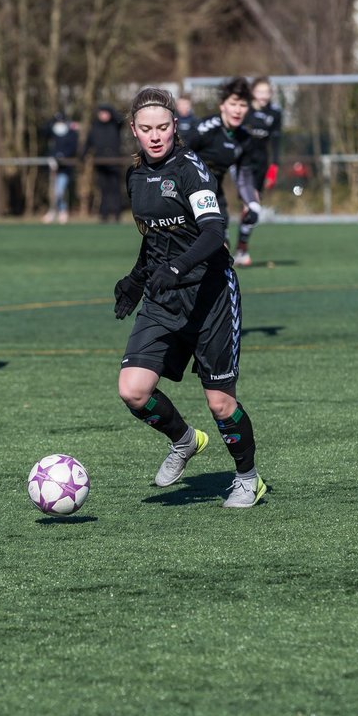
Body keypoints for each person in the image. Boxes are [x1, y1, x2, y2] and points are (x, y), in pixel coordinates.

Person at [112, 86, 267, 509]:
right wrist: (135, 279)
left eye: (163, 127)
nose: (155, 136)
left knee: (220, 402)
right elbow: (155, 239)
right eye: (146, 129)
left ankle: (247, 479)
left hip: (210, 294)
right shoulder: (136, 176)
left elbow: (215, 232)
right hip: (165, 299)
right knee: (133, 391)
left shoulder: (192, 170)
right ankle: (183, 440)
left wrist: (179, 267)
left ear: (174, 127)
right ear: (134, 131)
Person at [186, 77, 261, 264]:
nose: (237, 110)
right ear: (222, 106)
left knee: (221, 253)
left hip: (214, 194)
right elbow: (179, 154)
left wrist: (251, 202)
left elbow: (243, 176)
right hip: (186, 193)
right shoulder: (205, 129)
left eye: (242, 105)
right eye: (233, 103)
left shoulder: (244, 138)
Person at [235, 76, 284, 266]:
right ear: (253, 92)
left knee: (251, 209)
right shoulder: (243, 109)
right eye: (260, 91)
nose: (264, 95)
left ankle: (241, 249)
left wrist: (274, 167)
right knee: (251, 206)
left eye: (267, 92)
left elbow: (277, 142)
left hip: (261, 164)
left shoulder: (275, 113)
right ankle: (240, 249)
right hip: (241, 163)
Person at [82, 103, 126, 222]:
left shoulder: (115, 125)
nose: (103, 115)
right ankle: (104, 214)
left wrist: (111, 109)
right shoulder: (95, 126)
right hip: (100, 162)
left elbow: (121, 120)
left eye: (106, 113)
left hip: (115, 161)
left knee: (115, 188)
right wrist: (82, 155)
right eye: (101, 113)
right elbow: (88, 143)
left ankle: (117, 213)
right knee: (103, 189)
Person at [43, 112, 79, 224]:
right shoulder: (52, 132)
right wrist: (52, 157)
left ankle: (62, 211)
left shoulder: (70, 133)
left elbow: (72, 147)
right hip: (53, 167)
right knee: (53, 191)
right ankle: (53, 211)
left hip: (64, 167)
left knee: (60, 191)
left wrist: (62, 157)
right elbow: (44, 132)